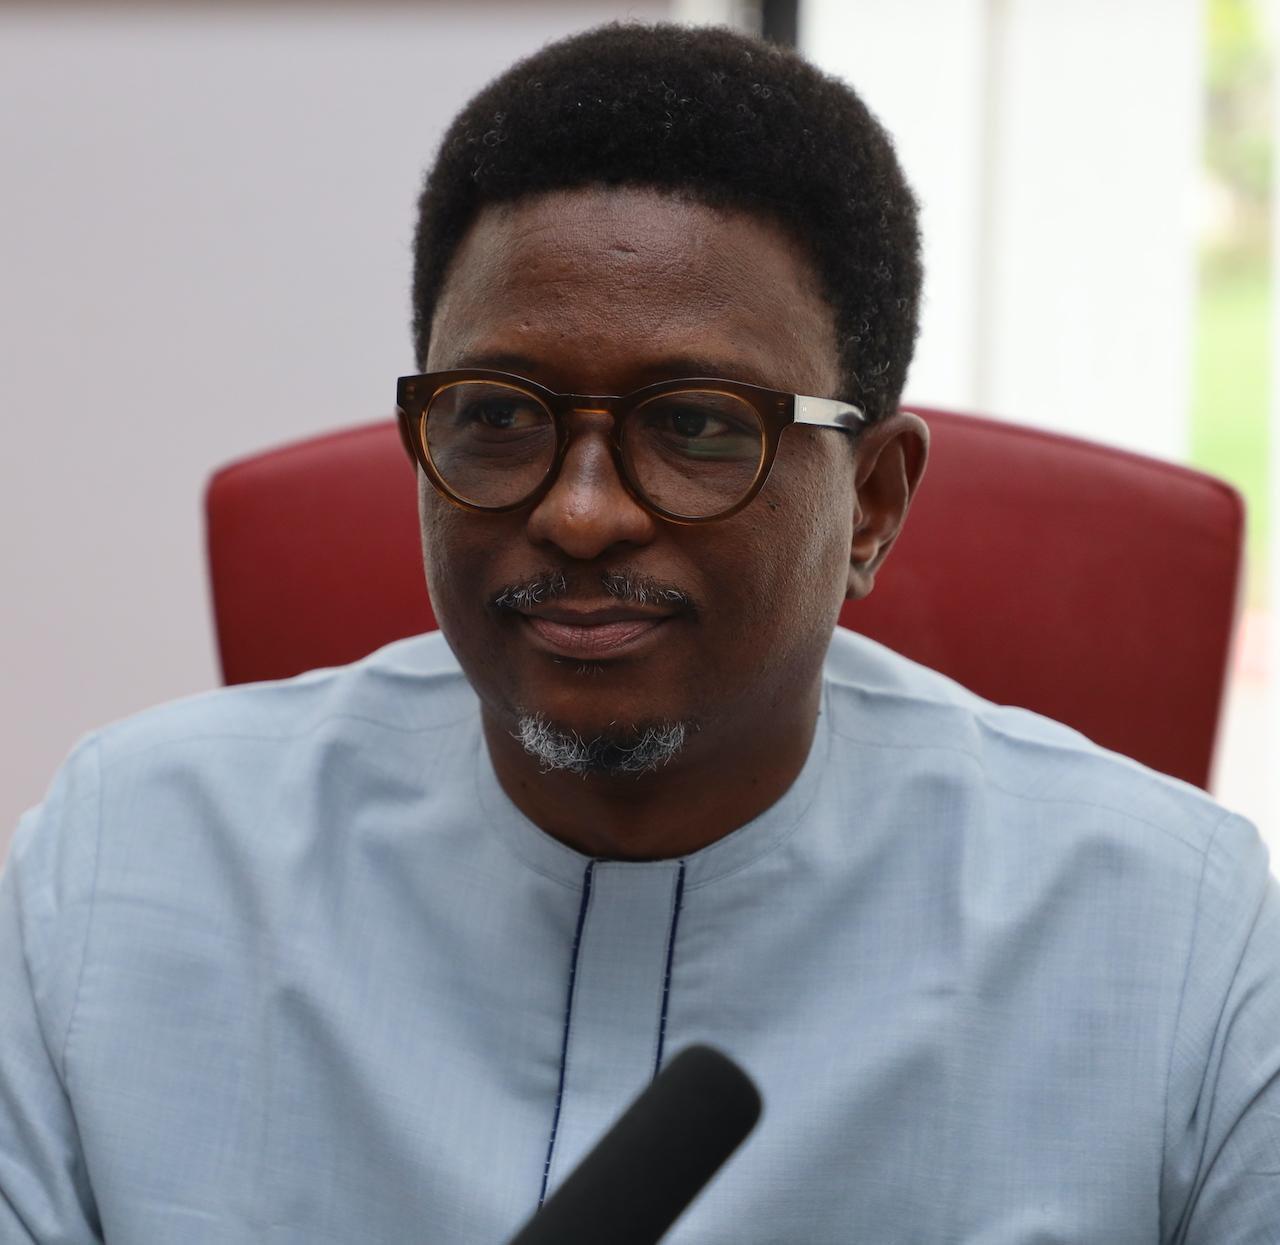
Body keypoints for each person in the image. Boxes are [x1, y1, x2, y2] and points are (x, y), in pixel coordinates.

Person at [2, 21, 1277, 1244]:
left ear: (871, 503)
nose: (579, 512)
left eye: (697, 424)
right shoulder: (126, 868)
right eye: (498, 415)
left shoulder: (1170, 941)